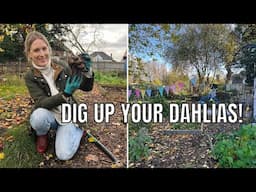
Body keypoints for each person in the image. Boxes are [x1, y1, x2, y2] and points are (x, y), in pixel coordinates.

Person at [24, 31, 94, 160]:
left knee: (63, 155)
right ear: (29, 53)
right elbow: (41, 102)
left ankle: (79, 130)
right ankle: (42, 135)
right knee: (38, 117)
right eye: (36, 50)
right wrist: (65, 94)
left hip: (68, 115)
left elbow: (86, 87)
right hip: (49, 115)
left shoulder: (61, 66)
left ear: (49, 49)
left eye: (44, 49)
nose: (42, 54)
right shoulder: (30, 76)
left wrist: (87, 71)